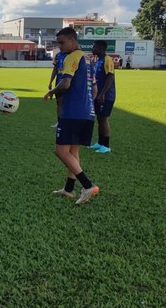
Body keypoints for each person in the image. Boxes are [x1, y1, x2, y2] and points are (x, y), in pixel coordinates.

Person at [44, 27, 99, 205]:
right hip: (86, 112)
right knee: (73, 152)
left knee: (60, 151)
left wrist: (51, 91)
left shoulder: (71, 57)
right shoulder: (87, 58)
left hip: (73, 112)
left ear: (73, 41)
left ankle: (88, 185)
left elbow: (66, 83)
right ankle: (69, 189)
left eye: (62, 42)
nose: (60, 47)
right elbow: (94, 87)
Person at [89, 40, 116, 154]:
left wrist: (102, 94)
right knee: (100, 119)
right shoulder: (99, 60)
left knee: (104, 119)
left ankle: (106, 146)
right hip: (99, 95)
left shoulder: (107, 60)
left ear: (100, 48)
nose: (93, 48)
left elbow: (110, 78)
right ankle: (100, 143)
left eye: (94, 46)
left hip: (106, 96)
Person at [48, 50, 67, 128]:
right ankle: (59, 122)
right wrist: (50, 82)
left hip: (67, 81)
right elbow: (55, 69)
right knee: (58, 102)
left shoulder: (70, 55)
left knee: (66, 102)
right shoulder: (58, 55)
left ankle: (66, 121)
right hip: (58, 81)